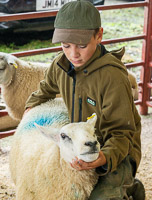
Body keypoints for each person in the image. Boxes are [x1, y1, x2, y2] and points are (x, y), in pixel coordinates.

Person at [24, 0, 145, 199]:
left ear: (99, 36)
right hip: (79, 143)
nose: (73, 54)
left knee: (99, 197)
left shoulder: (113, 77)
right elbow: (46, 88)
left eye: (82, 45)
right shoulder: (61, 65)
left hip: (117, 150)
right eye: (66, 46)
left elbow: (122, 133)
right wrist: (32, 105)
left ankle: (128, 185)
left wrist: (104, 158)